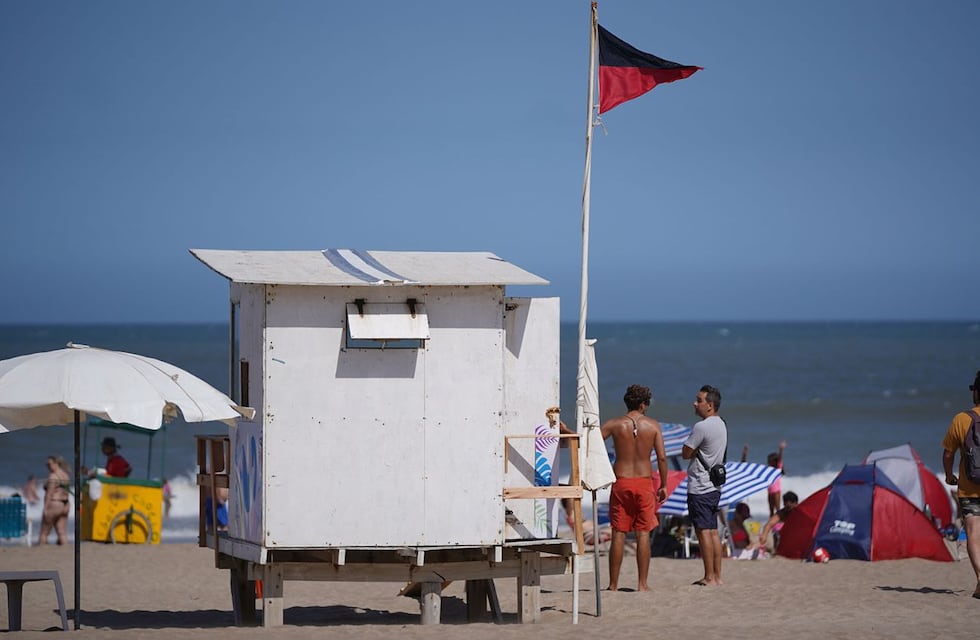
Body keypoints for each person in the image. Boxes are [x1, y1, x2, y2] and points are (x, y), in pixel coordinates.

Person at [599, 384, 669, 592]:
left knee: (618, 532)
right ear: (642, 404)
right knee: (643, 533)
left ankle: (613, 584)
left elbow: (590, 441)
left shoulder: (614, 424)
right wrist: (664, 484)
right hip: (644, 482)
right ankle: (642, 584)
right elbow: (662, 458)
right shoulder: (653, 425)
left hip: (621, 482)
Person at [682, 384, 728, 586]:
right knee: (713, 531)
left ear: (710, 405)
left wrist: (695, 450)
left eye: (699, 400)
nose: (695, 403)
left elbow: (685, 453)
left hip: (700, 485)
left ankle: (709, 576)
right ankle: (717, 576)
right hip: (714, 486)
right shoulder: (721, 424)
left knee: (703, 531)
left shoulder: (702, 427)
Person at [941, 370, 980, 599]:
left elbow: (948, 454)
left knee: (974, 532)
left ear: (975, 392)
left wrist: (949, 475)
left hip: (970, 486)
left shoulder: (962, 419)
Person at [38, 455, 71, 545]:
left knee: (44, 532)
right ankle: (65, 550)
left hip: (55, 503)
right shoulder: (65, 475)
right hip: (65, 504)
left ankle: (41, 551)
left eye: (49, 464)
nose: (48, 466)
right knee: (62, 532)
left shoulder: (53, 476)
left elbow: (49, 494)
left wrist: (45, 508)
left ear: (56, 463)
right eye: (46, 464)